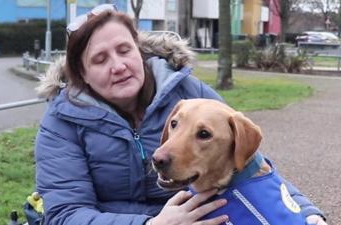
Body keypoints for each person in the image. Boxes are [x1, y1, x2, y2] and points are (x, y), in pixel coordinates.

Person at [35, 4, 327, 225]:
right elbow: (65, 214)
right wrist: (153, 223)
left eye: (124, 50)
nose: (118, 66)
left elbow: (250, 166)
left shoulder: (188, 93)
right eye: (100, 59)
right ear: (82, 75)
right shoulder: (61, 122)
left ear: (139, 51)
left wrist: (308, 213)